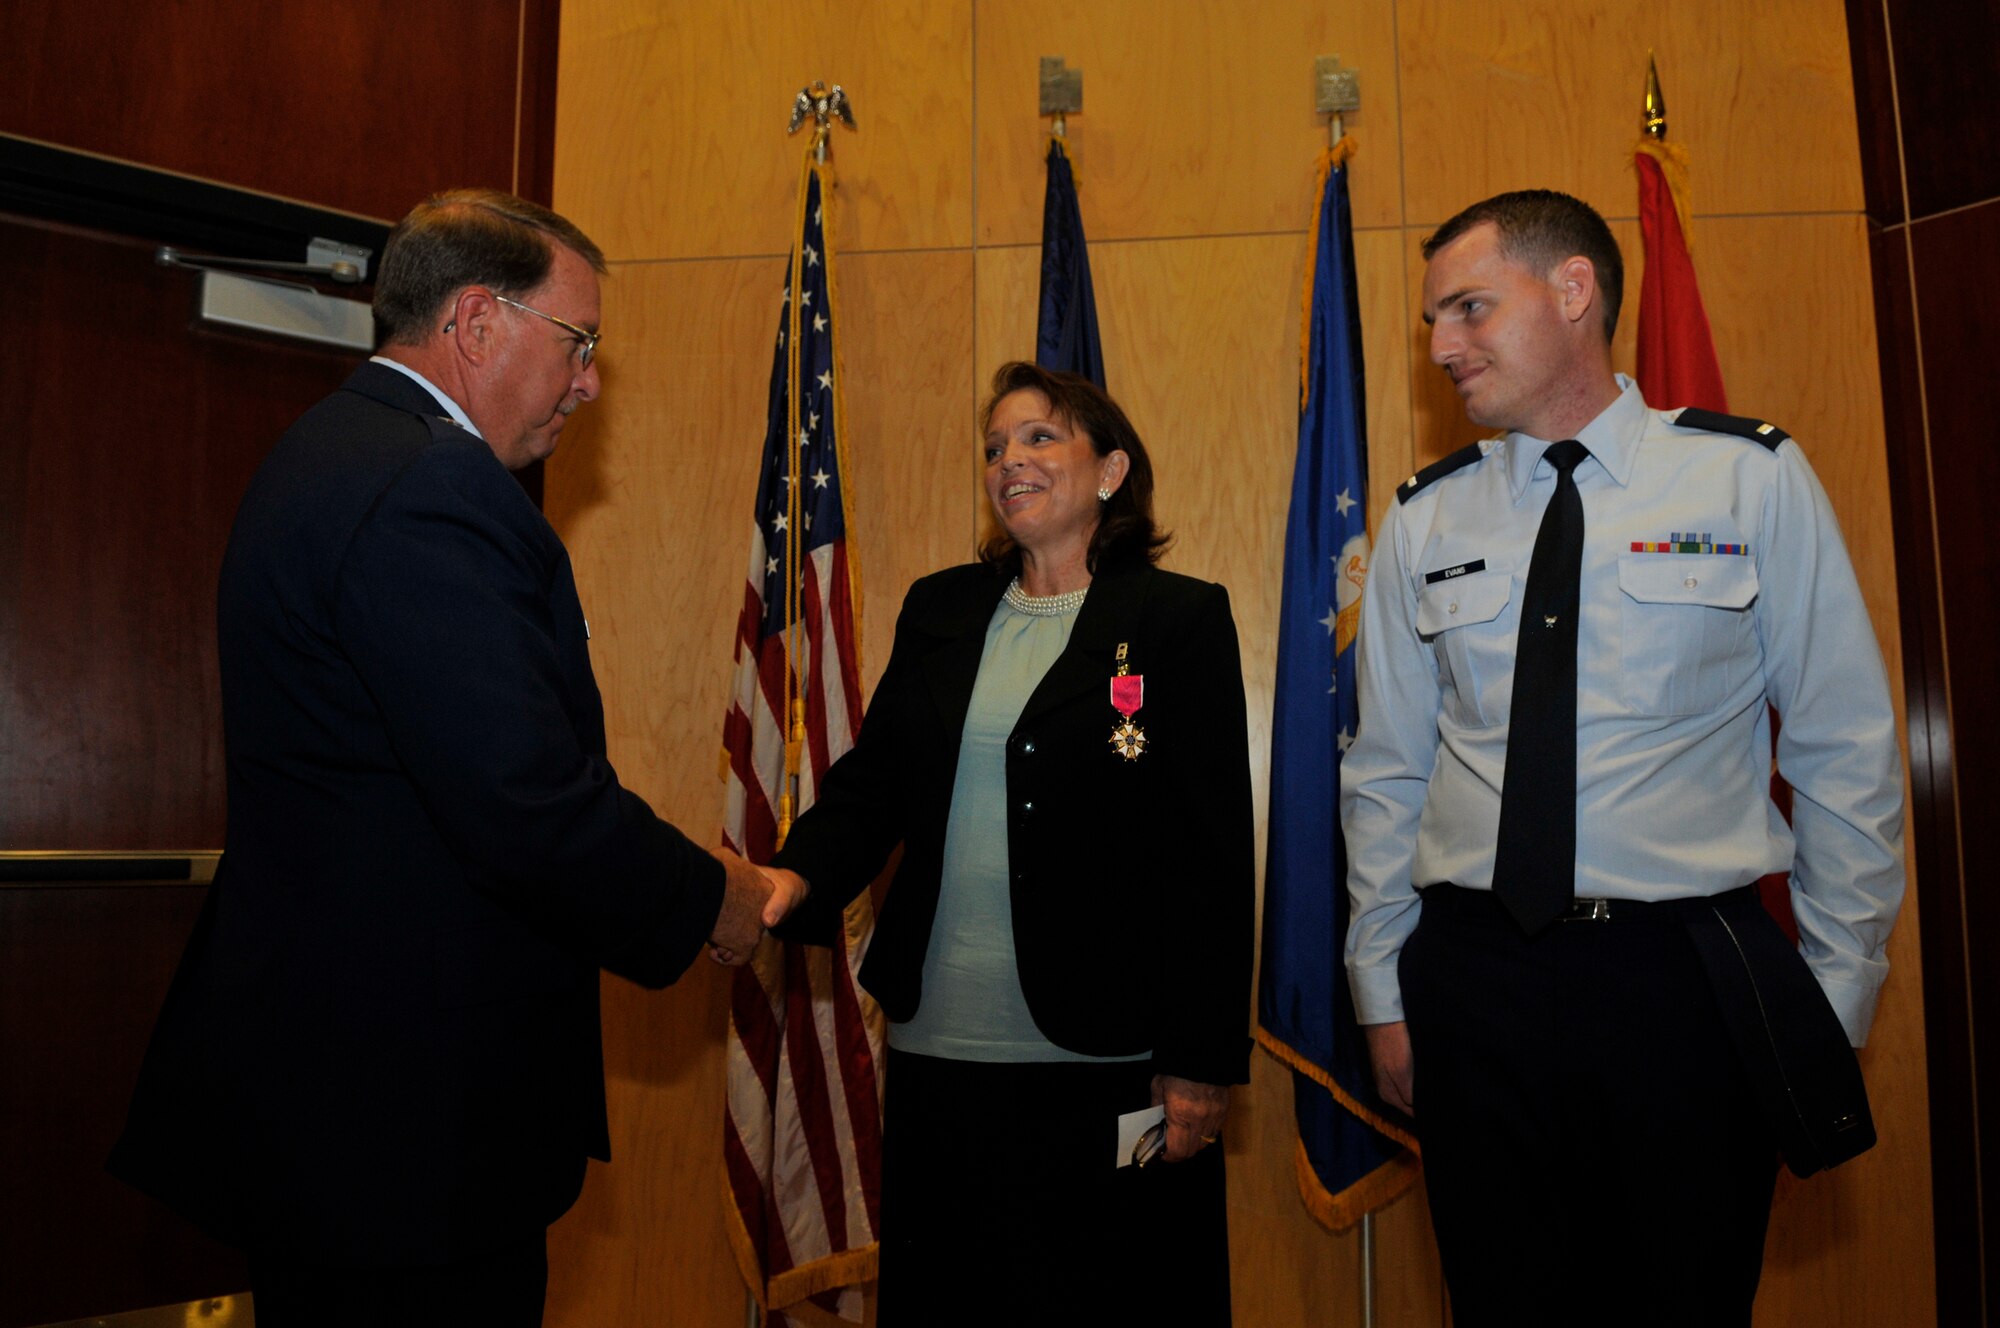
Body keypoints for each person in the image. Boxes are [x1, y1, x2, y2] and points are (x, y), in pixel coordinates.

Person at [109, 189, 790, 1326]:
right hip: (402, 1123)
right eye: (579, 343)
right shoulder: (428, 483)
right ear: (476, 323)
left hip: (349, 1106)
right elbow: (524, 799)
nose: (587, 382)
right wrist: (713, 895)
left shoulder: (335, 449)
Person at [1340, 190, 1905, 1326]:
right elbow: (1386, 771)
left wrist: (1831, 997)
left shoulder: (1745, 479)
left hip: (1681, 982)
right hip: (1472, 977)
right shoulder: (1422, 519)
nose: (1441, 345)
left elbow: (1844, 745)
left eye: (1466, 307)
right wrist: (1381, 990)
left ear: (1571, 291)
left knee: (1682, 1302)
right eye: (1430, 320)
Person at [753, 362, 1254, 1324]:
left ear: (1110, 471)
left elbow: (1213, 858)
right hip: (942, 1047)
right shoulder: (941, 609)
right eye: (993, 446)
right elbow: (873, 788)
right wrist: (788, 878)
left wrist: (1200, 1058)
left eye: (1037, 438)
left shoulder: (1177, 619)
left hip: (1111, 1055)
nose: (1008, 461)